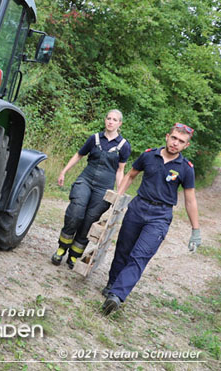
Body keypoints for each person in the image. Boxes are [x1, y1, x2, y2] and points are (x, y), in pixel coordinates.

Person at [102, 123, 200, 315]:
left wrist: (195, 230)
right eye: (174, 138)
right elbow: (130, 176)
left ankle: (117, 296)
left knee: (140, 255)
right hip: (138, 208)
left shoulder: (186, 168)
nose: (175, 143)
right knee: (123, 248)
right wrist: (117, 200)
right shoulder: (148, 155)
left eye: (181, 141)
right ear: (167, 136)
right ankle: (113, 283)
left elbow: (190, 201)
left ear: (186, 146)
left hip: (160, 216)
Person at [52, 110, 130, 269]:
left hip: (104, 187)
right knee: (75, 213)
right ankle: (61, 248)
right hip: (86, 180)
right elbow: (78, 155)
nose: (111, 122)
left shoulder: (124, 146)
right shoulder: (94, 139)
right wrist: (63, 171)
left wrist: (119, 195)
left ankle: (74, 255)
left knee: (89, 221)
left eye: (115, 120)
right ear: (105, 120)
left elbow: (120, 171)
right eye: (108, 118)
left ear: (119, 124)